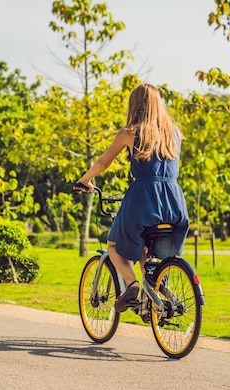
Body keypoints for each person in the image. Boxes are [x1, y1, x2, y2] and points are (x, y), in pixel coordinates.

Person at [73, 83, 189, 313]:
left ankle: (133, 284)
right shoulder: (174, 133)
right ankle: (152, 299)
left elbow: (103, 162)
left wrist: (84, 181)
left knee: (113, 244)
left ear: (135, 105)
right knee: (150, 251)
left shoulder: (130, 133)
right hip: (174, 202)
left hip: (144, 200)